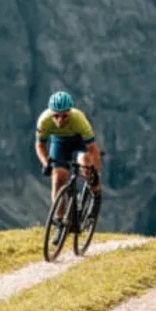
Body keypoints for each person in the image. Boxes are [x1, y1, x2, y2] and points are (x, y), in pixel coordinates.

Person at [35, 91, 103, 222]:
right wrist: (45, 163)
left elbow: (93, 149)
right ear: (51, 113)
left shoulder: (79, 119)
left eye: (65, 116)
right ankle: (59, 220)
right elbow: (40, 145)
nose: (60, 120)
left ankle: (96, 196)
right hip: (60, 142)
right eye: (56, 116)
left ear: (70, 112)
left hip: (80, 140)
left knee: (85, 163)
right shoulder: (44, 121)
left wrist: (95, 171)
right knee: (58, 177)